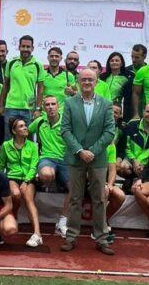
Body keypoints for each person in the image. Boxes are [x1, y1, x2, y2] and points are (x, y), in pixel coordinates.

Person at [60, 68, 115, 255]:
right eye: (83, 79)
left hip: (98, 158)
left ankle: (101, 238)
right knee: (75, 199)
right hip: (76, 158)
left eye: (90, 79)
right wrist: (80, 151)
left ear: (97, 82)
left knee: (99, 199)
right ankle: (71, 237)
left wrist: (92, 151)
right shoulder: (68, 103)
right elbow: (65, 130)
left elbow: (109, 132)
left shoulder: (106, 104)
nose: (87, 83)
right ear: (78, 81)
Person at [0, 118, 42, 247]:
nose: (25, 128)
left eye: (25, 125)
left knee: (28, 198)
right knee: (16, 194)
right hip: (12, 177)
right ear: (14, 130)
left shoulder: (33, 146)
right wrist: (1, 181)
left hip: (29, 177)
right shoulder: (6, 145)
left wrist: (27, 180)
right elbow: (0, 165)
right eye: (21, 126)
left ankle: (37, 234)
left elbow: (34, 166)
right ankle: (14, 216)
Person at [29, 95, 70, 236]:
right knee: (47, 174)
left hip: (65, 160)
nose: (51, 107)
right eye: (47, 105)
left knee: (76, 189)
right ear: (44, 108)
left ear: (58, 106)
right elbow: (25, 133)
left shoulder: (67, 122)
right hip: (47, 158)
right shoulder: (39, 122)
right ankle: (45, 181)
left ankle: (62, 222)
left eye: (53, 104)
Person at [0, 35, 45, 139]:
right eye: (23, 46)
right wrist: (2, 104)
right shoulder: (11, 63)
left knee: (27, 138)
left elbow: (40, 89)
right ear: (19, 47)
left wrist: (38, 108)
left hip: (29, 108)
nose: (25, 49)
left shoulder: (38, 65)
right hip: (11, 106)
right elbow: (5, 85)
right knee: (9, 138)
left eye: (28, 47)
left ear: (32, 48)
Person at [119, 103, 149, 178]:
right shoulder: (132, 125)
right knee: (122, 167)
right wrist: (134, 161)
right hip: (132, 159)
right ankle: (130, 179)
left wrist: (147, 164)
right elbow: (126, 147)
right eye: (147, 111)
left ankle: (139, 181)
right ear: (143, 112)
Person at [123, 44, 147, 122]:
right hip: (128, 111)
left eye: (137, 57)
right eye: (132, 56)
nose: (133, 59)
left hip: (145, 110)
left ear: (144, 57)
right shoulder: (126, 71)